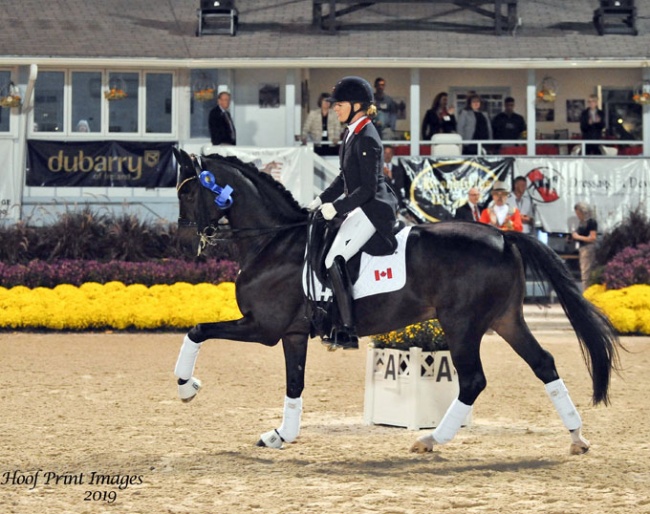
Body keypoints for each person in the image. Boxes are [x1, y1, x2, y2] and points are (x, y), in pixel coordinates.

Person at [307, 76, 399, 349]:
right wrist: (320, 200)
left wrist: (335, 208)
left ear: (357, 105)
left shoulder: (368, 135)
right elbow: (344, 179)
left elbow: (368, 189)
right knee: (328, 254)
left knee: (335, 258)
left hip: (374, 209)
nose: (334, 108)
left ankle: (347, 329)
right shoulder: (351, 132)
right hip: (360, 206)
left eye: (340, 104)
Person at [571, 202, 598, 290]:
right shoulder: (582, 223)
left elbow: (592, 238)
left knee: (586, 272)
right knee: (584, 271)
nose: (578, 216)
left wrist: (578, 237)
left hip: (588, 248)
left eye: (579, 214)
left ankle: (586, 292)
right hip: (582, 248)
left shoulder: (591, 222)